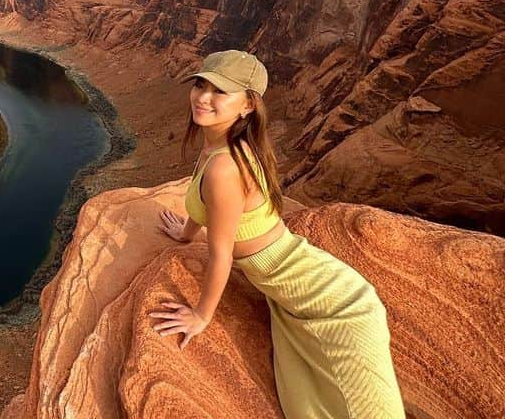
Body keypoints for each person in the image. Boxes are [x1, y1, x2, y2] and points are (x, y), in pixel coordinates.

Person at [148, 49, 405, 418]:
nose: (203, 97)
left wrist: (201, 317)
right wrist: (187, 231)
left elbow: (221, 254)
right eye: (201, 84)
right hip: (296, 290)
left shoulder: (225, 166)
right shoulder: (219, 144)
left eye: (220, 91)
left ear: (249, 105)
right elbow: (208, 206)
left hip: (339, 307)